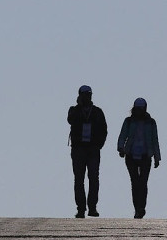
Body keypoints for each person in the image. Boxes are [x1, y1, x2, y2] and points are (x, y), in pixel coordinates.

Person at [116, 97, 161, 219]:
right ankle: (137, 208)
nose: (139, 111)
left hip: (145, 156)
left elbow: (155, 140)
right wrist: (121, 148)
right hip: (131, 156)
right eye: (138, 109)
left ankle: (141, 208)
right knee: (135, 183)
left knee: (143, 183)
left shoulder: (151, 122)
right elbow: (122, 136)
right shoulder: (129, 121)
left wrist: (157, 157)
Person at [67, 84, 107, 218]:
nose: (86, 97)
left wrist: (98, 145)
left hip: (92, 149)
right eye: (84, 95)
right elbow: (70, 120)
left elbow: (104, 130)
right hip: (78, 149)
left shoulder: (97, 111)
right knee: (79, 179)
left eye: (88, 95)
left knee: (94, 178)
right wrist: (78, 106)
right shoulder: (73, 110)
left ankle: (92, 207)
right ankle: (80, 209)